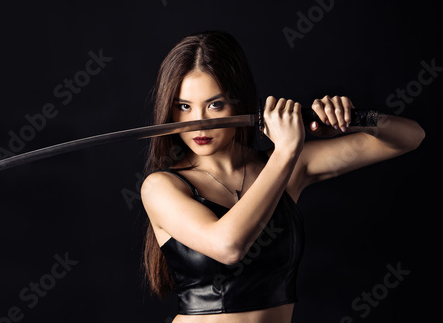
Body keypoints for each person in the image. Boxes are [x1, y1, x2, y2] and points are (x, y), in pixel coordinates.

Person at [140, 30, 425, 323]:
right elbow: (228, 246)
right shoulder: (161, 187)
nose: (199, 123)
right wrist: (286, 151)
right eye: (184, 107)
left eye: (215, 104)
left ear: (240, 102)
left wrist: (353, 121)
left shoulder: (285, 166)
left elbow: (411, 137)